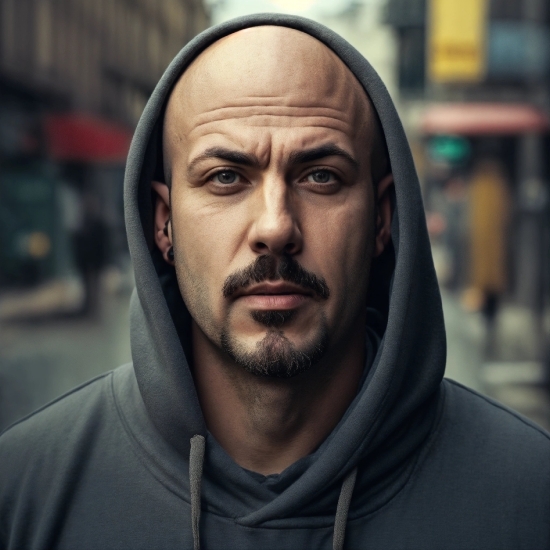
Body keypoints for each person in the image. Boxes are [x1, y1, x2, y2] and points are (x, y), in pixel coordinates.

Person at [1, 15, 548, 550]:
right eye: (226, 177)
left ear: (382, 219)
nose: (276, 227)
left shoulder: (529, 497)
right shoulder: (24, 491)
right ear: (162, 223)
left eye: (320, 176)